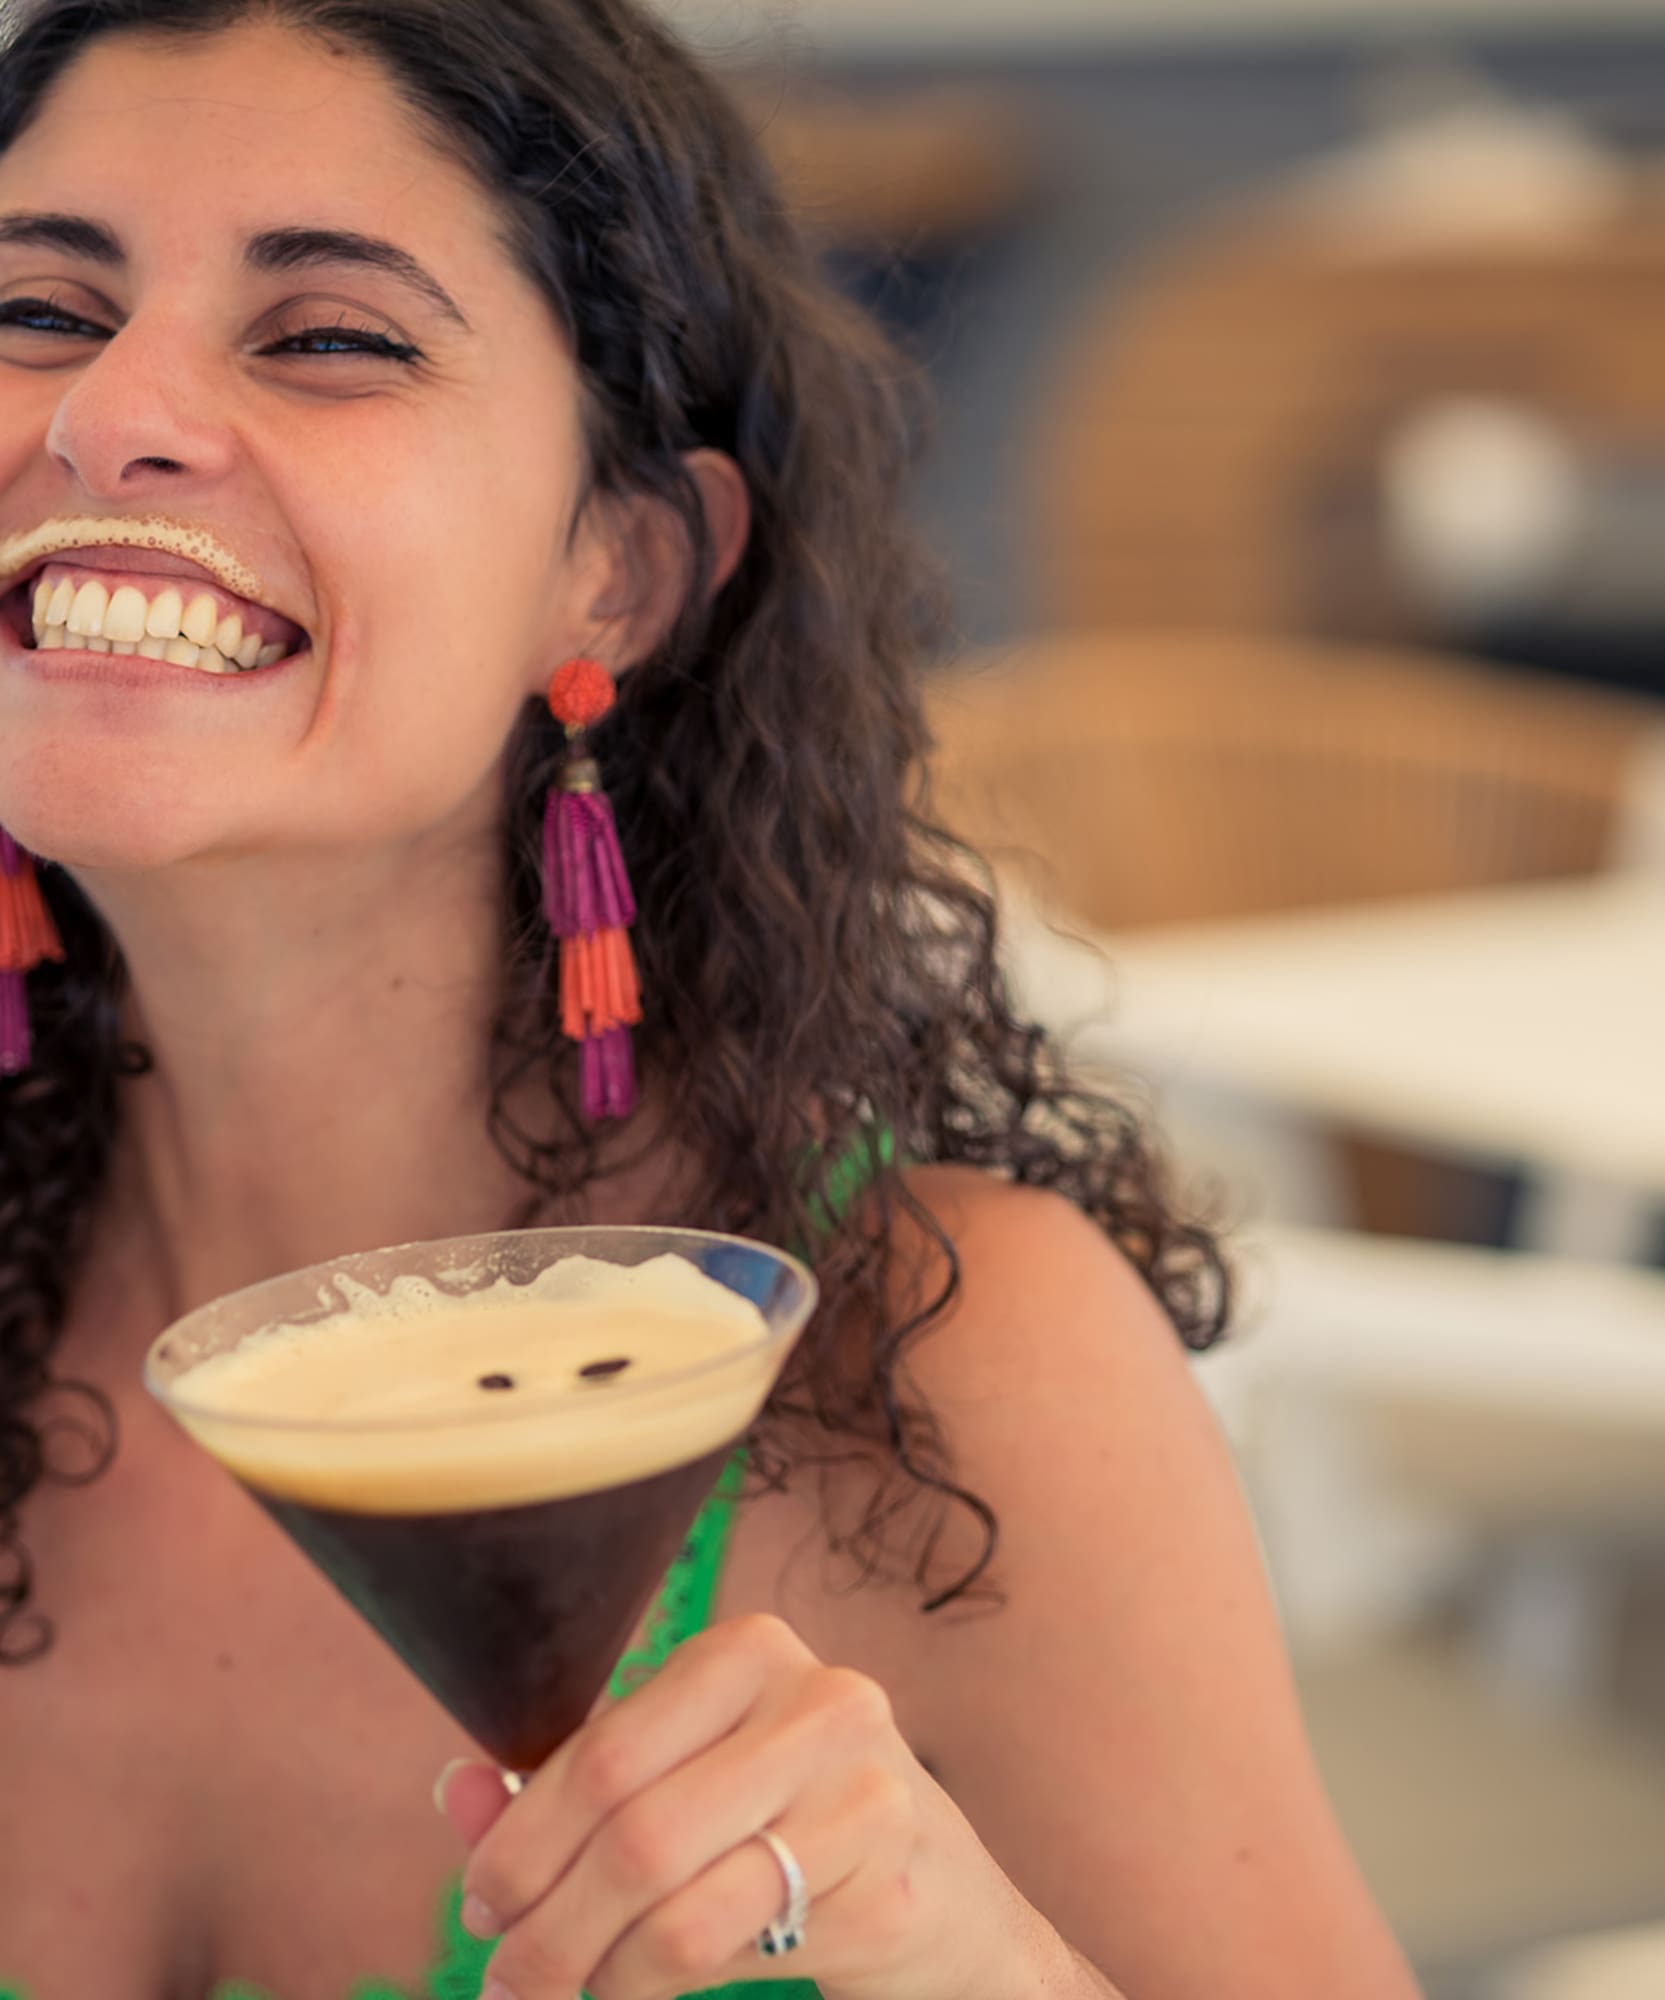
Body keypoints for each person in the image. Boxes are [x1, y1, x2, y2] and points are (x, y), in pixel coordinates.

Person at [0, 2, 1422, 1997]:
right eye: (39, 308)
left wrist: (966, 1951)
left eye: (329, 335)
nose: (105, 410)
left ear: (619, 572)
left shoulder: (944, 1381)